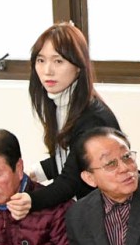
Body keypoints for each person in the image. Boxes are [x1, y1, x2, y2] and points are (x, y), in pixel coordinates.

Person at [7, 23, 122, 217]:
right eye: (41, 60)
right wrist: (34, 173)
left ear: (78, 66)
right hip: (86, 210)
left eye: (58, 61)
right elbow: (69, 159)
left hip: (107, 216)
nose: (47, 70)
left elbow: (71, 181)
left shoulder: (92, 118)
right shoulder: (60, 103)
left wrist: (30, 200)